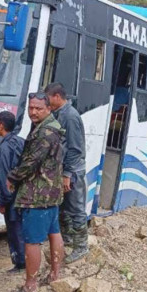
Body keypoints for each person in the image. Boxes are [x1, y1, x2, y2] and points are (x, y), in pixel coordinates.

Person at [7, 93, 65, 292]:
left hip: (37, 194)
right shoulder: (52, 127)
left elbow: (31, 162)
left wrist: (12, 177)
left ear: (48, 108)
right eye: (31, 107)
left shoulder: (45, 133)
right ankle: (55, 274)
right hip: (52, 192)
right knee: (53, 232)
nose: (33, 112)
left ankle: (30, 285)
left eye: (38, 108)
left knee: (32, 241)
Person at [45, 82, 89, 264]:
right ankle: (68, 240)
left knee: (76, 209)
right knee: (63, 208)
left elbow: (75, 149)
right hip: (62, 170)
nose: (47, 104)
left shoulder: (70, 116)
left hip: (72, 172)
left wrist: (67, 174)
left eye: (48, 99)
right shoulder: (59, 114)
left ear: (57, 96)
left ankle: (81, 247)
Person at [0, 111, 26, 274]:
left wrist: (3, 200)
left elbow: (4, 176)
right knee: (22, 228)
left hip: (12, 197)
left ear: (1, 125)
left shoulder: (4, 147)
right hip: (25, 194)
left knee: (14, 230)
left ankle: (21, 263)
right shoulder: (20, 142)